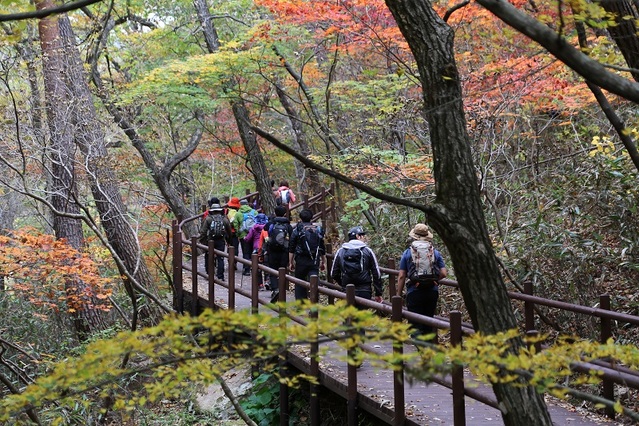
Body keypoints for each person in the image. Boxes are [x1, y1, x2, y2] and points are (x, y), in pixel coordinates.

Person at [396, 224, 448, 342]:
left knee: (415, 325)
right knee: (428, 323)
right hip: (432, 291)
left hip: (414, 291)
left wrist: (398, 294)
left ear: (414, 236)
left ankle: (422, 350)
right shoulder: (435, 252)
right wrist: (433, 280)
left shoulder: (408, 253)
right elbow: (444, 273)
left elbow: (401, 276)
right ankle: (428, 352)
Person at [331, 226, 383, 304]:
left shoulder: (340, 251)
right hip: (364, 290)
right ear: (358, 236)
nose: (364, 238)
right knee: (362, 314)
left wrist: (343, 284)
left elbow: (333, 273)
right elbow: (376, 273)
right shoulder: (368, 251)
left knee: (349, 314)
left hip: (347, 290)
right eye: (362, 236)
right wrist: (378, 293)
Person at [288, 209, 326, 300]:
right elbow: (322, 247)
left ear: (300, 218)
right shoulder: (317, 230)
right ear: (311, 218)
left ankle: (301, 304)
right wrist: (323, 261)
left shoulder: (297, 230)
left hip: (301, 259)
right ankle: (314, 304)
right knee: (314, 281)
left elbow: (292, 247)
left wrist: (291, 262)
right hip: (314, 259)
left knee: (299, 281)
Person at [261, 205, 293, 293]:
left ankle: (275, 289)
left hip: (272, 250)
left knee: (273, 270)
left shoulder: (271, 223)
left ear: (275, 213)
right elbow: (292, 237)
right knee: (282, 270)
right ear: (285, 214)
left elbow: (265, 228)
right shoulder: (288, 225)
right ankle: (282, 289)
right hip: (284, 251)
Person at [198, 203, 232, 279]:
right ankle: (220, 276)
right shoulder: (224, 219)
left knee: (208, 256)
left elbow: (203, 231)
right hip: (221, 241)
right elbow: (229, 232)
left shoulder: (208, 219)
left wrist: (202, 241)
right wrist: (229, 241)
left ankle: (209, 274)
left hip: (210, 241)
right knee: (221, 258)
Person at [231, 199, 258, 276]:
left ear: (240, 205)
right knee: (253, 251)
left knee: (245, 252)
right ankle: (254, 268)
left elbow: (235, 224)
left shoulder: (238, 213)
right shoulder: (254, 212)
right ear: (247, 204)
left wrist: (238, 233)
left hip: (244, 235)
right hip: (253, 235)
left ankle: (246, 270)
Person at [245, 213, 269, 288]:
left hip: (256, 248)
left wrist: (245, 238)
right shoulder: (267, 228)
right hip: (266, 248)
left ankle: (260, 284)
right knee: (266, 265)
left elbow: (248, 239)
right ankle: (267, 281)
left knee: (257, 266)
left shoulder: (253, 228)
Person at [226, 197, 241, 270]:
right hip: (235, 233)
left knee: (229, 246)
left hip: (228, 233)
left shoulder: (226, 211)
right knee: (235, 247)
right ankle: (234, 262)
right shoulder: (238, 213)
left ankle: (229, 260)